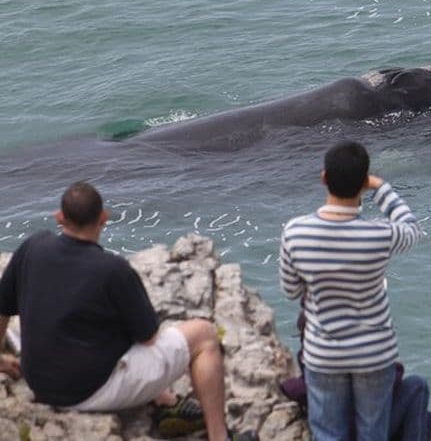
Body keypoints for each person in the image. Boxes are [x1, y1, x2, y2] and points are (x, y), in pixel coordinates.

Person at [0, 181, 255, 441]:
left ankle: (165, 401)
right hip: (87, 392)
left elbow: (2, 307)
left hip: (40, 382)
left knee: (107, 335)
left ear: (59, 217)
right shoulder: (112, 269)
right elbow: (149, 338)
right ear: (103, 218)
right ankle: (219, 436)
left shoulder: (33, 247)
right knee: (204, 334)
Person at [279, 140, 422, 441]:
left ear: (324, 178)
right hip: (374, 352)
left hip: (324, 353)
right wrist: (381, 187)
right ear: (363, 184)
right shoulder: (380, 234)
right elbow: (411, 229)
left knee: (328, 433)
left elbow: (290, 290)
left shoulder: (296, 232)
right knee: (373, 433)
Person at [279, 310, 431, 441]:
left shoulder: (310, 358)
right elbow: (390, 382)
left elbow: (301, 388)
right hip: (362, 428)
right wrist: (395, 364)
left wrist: (289, 385)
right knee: (417, 386)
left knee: (428, 419)